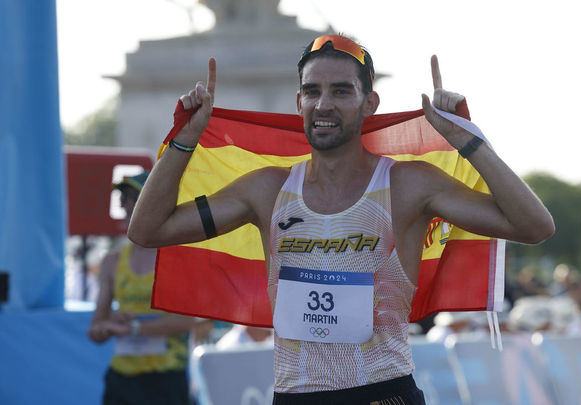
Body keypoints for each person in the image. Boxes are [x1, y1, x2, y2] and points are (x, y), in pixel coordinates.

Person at [129, 34, 554, 404]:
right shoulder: (266, 190)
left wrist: (468, 139)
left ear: (370, 103)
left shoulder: (408, 185)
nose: (323, 104)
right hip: (293, 395)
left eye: (341, 91)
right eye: (312, 91)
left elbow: (534, 226)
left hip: (382, 392)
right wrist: (184, 140)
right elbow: (147, 230)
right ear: (299, 103)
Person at [88, 172, 196, 405]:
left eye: (134, 198)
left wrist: (135, 328)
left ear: (156, 203)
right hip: (122, 378)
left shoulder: (177, 259)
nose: (126, 206)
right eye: (123, 199)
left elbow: (186, 322)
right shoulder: (112, 261)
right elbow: (96, 328)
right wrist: (106, 328)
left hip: (165, 378)